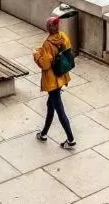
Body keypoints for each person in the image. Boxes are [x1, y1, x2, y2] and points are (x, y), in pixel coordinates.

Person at [33, 17, 76, 148]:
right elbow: (67, 50)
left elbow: (45, 64)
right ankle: (44, 134)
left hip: (52, 81)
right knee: (50, 105)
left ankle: (71, 139)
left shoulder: (48, 44)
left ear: (49, 28)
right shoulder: (63, 37)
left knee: (60, 110)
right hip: (61, 76)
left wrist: (36, 54)